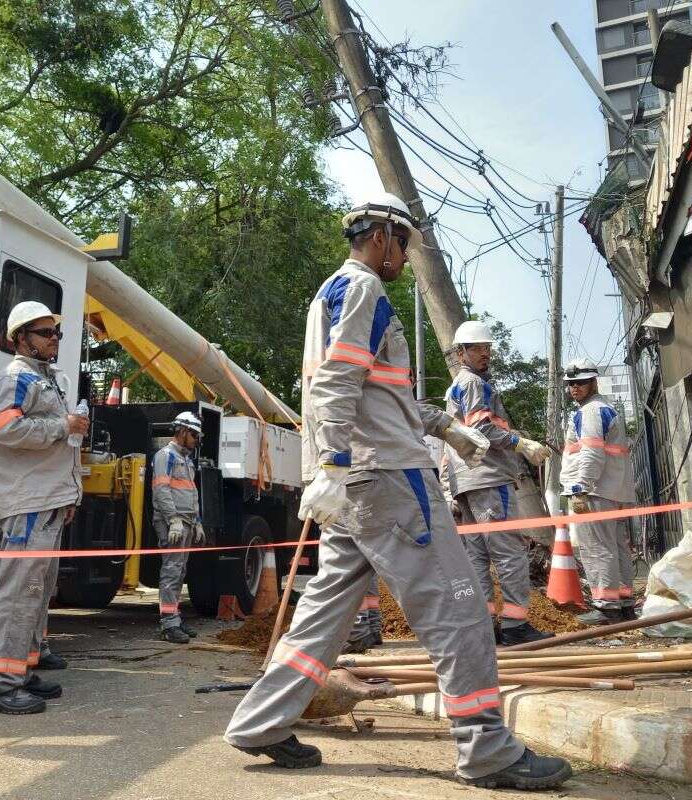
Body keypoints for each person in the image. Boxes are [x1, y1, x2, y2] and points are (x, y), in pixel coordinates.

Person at [223, 193, 571, 790]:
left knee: (322, 617)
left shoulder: (327, 296)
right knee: (460, 607)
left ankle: (260, 722)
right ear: (381, 234)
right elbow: (339, 381)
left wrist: (449, 431)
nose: (405, 257)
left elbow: (383, 395)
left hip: (357, 482)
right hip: (387, 477)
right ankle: (487, 748)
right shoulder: (363, 290)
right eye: (403, 243)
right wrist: (332, 459)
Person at [0, 301, 88, 714]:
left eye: (56, 333)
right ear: (21, 338)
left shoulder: (47, 379)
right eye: (45, 333)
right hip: (27, 502)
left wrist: (68, 496)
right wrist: (63, 426)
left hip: (45, 498)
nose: (54, 339)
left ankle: (17, 671)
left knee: (35, 592)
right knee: (17, 592)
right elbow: (3, 429)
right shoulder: (16, 378)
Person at [444, 320, 553, 646]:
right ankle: (515, 625)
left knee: (477, 557)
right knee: (509, 553)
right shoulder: (476, 385)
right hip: (489, 478)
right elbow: (483, 431)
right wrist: (521, 444)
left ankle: (485, 624)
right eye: (477, 348)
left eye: (487, 347)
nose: (485, 353)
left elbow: (451, 440)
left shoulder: (454, 390)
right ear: (461, 352)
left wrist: (450, 487)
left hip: (466, 482)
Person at [559, 358, 637, 625]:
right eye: (570, 384)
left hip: (594, 492)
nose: (574, 389)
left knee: (596, 549)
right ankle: (625, 605)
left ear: (594, 382)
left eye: (580, 383)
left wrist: (580, 486)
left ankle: (606, 608)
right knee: (616, 548)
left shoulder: (590, 412)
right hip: (613, 491)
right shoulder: (605, 409)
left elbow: (591, 453)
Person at [152, 411, 205, 644]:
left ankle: (175, 617)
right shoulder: (166, 456)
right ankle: (169, 624)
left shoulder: (185, 459)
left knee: (179, 572)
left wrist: (198, 522)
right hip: (172, 523)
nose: (196, 440)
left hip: (187, 522)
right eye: (193, 435)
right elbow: (161, 491)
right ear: (182, 431)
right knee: (172, 572)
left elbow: (191, 493)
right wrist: (172, 519)